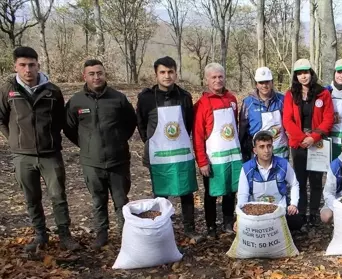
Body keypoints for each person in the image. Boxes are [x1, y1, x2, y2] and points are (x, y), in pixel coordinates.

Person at [0, 46, 80, 252]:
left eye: (32, 65)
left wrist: (51, 138)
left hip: (50, 154)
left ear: (38, 65)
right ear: (15, 66)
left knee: (58, 196)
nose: (28, 70)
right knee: (31, 197)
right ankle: (40, 235)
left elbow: (61, 120)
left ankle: (65, 235)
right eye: (23, 65)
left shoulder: (52, 90)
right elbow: (1, 119)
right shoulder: (7, 89)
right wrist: (14, 141)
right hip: (22, 157)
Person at [65, 59, 137, 250]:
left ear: (105, 74)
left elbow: (130, 123)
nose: (96, 77)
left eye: (100, 73)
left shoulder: (118, 98)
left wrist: (118, 140)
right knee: (98, 200)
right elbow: (70, 128)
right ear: (84, 76)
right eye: (92, 74)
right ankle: (102, 234)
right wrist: (86, 145)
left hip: (118, 160)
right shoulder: (76, 101)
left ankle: (125, 233)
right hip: (91, 162)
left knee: (121, 200)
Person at [136, 56, 200, 240]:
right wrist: (152, 143)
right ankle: (163, 228)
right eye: (162, 72)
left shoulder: (184, 96)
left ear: (176, 73)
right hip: (159, 156)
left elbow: (188, 124)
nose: (167, 76)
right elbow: (141, 123)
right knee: (161, 194)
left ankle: (190, 229)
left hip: (181, 152)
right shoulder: (146, 97)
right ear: (156, 74)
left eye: (170, 72)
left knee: (186, 191)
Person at [283, 59, 334, 225]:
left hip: (317, 143)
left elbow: (328, 119)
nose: (303, 76)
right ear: (296, 76)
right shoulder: (290, 94)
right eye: (299, 73)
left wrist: (314, 137)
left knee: (316, 180)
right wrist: (302, 138)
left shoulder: (323, 93)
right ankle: (302, 212)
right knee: (300, 179)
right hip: (298, 143)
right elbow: (287, 120)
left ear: (311, 73)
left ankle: (313, 213)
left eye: (306, 72)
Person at [193, 62, 242, 234]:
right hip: (213, 158)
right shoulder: (202, 104)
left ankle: (228, 222)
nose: (217, 80)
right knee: (211, 193)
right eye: (213, 77)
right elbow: (198, 135)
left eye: (220, 76)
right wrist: (202, 161)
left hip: (233, 155)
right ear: (207, 80)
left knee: (231, 190)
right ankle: (211, 225)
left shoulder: (232, 99)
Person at [237, 131, 304, 231]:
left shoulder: (283, 164)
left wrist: (293, 204)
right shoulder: (247, 168)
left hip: (279, 209)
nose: (266, 150)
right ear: (255, 150)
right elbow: (243, 194)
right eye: (262, 147)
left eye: (269, 146)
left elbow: (294, 184)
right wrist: (240, 218)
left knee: (296, 221)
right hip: (256, 212)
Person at [239, 67, 289, 161]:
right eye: (261, 83)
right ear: (256, 84)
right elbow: (242, 128)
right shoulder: (248, 103)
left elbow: (289, 123)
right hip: (258, 152)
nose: (264, 85)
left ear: (272, 82)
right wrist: (243, 149)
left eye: (267, 82)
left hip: (280, 151)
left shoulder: (282, 100)